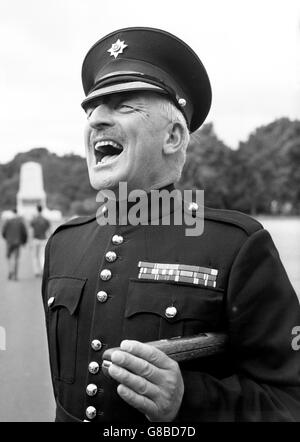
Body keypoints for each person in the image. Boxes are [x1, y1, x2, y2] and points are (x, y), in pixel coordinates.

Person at [42, 27, 300, 422]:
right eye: (92, 110)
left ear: (174, 136)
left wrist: (190, 399)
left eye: (124, 106)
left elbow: (289, 401)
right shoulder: (63, 243)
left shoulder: (235, 246)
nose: (96, 121)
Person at [2, 208, 27, 281]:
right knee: (16, 258)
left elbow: (3, 231)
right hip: (17, 242)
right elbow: (24, 233)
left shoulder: (8, 221)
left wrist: (6, 238)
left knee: (9, 257)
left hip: (9, 242)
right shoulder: (20, 222)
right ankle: (15, 275)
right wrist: (24, 241)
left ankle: (10, 270)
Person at [30, 204, 50, 276]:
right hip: (44, 239)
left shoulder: (34, 220)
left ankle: (36, 271)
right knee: (42, 256)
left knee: (35, 256)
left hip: (35, 239)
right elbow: (49, 231)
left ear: (36, 209)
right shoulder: (45, 219)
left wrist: (30, 241)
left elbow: (31, 231)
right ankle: (43, 270)